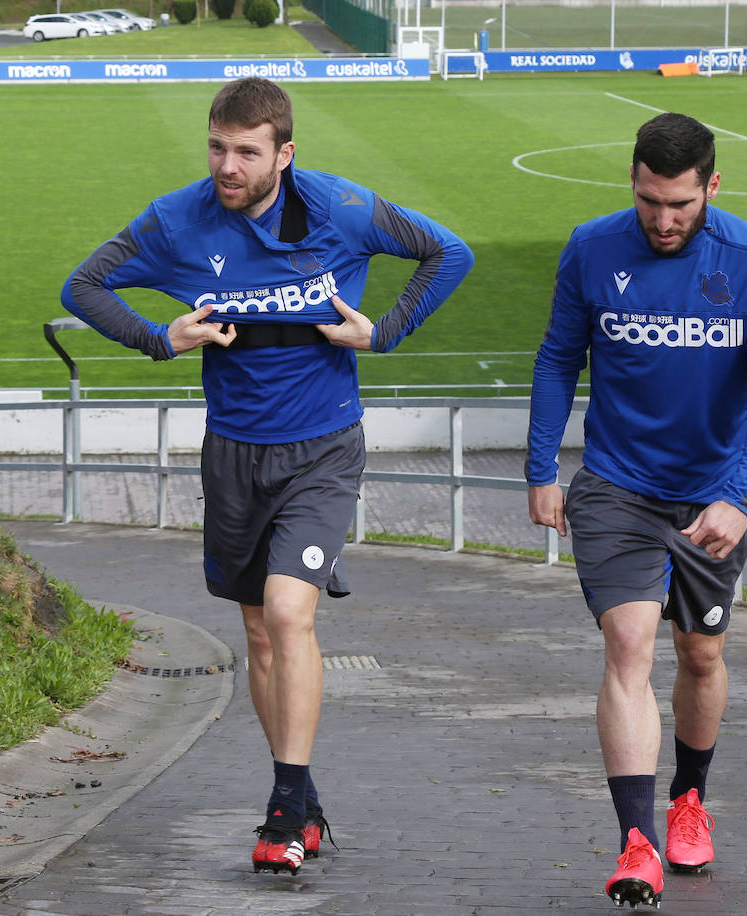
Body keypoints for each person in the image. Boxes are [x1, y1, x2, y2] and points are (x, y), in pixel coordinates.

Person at [62, 77, 473, 875]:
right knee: (255, 629)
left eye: (247, 152)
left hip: (323, 448)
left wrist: (381, 332)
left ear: (285, 154)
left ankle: (283, 811)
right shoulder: (176, 219)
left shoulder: (344, 210)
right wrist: (159, 338)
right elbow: (82, 285)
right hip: (234, 453)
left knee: (289, 615)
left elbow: (445, 252)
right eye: (217, 146)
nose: (227, 165)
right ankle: (304, 794)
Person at [526, 112, 747, 909]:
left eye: (680, 204)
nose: (662, 219)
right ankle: (636, 842)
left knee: (702, 655)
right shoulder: (591, 247)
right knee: (628, 642)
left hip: (713, 492)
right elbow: (556, 358)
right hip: (615, 485)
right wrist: (543, 466)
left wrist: (738, 498)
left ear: (711, 187)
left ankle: (689, 801)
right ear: (634, 182)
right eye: (649, 200)